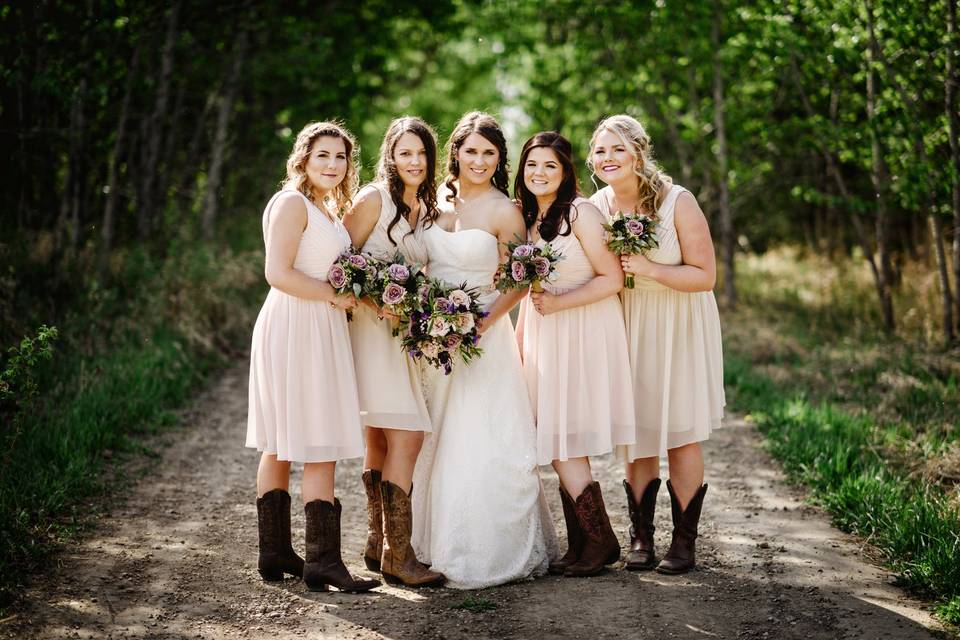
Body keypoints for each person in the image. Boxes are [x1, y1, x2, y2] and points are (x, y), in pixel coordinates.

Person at [411, 112, 557, 589]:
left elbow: (521, 277)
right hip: (433, 335)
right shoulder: (432, 201)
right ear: (455, 151)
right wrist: (430, 319)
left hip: (484, 335)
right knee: (434, 434)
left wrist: (484, 323)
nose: (479, 160)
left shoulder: (505, 209)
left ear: (500, 159)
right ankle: (422, 546)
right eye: (471, 151)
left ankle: (488, 548)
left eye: (489, 153)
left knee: (482, 434)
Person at [246, 121, 379, 593]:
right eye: (323, 155)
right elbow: (276, 272)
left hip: (315, 322)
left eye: (340, 157)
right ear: (302, 158)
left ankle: (278, 553)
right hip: (295, 324)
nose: (332, 165)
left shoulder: (324, 208)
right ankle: (319, 561)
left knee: (286, 438)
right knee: (307, 436)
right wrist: (335, 295)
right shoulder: (291, 203)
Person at [588, 114, 725, 574]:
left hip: (677, 321)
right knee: (639, 432)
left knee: (680, 432)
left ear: (638, 155)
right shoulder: (597, 206)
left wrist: (649, 270)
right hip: (626, 322)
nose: (609, 158)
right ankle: (641, 538)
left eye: (618, 149)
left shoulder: (676, 201)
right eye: (601, 150)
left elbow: (706, 276)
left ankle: (684, 543)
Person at [515, 131, 636, 577]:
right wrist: (522, 343)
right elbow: (530, 294)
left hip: (583, 330)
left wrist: (561, 304)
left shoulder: (580, 213)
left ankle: (600, 541)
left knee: (561, 437)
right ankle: (583, 543)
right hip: (546, 335)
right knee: (555, 435)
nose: (539, 173)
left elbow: (612, 279)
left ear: (565, 171)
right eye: (532, 164)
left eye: (549, 165)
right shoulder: (529, 218)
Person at [343, 116, 445, 588]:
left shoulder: (423, 207)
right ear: (390, 155)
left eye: (422, 153)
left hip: (403, 337)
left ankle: (377, 543)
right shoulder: (373, 199)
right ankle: (397, 557)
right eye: (405, 152)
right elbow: (340, 266)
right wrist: (376, 302)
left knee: (381, 440)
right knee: (408, 435)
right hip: (370, 330)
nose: (415, 161)